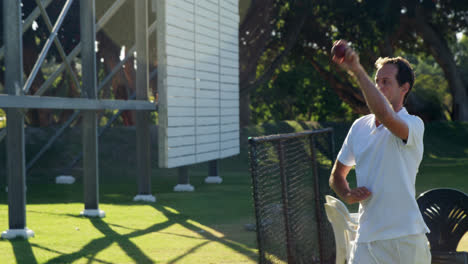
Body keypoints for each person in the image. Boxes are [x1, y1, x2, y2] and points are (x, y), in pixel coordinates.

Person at [328, 40, 431, 264]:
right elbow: (337, 175)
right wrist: (346, 194)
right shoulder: (359, 126)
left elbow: (386, 117)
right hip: (366, 240)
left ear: (404, 88)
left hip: (406, 239)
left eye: (386, 82)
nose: (379, 86)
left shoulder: (413, 124)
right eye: (377, 81)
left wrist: (356, 69)